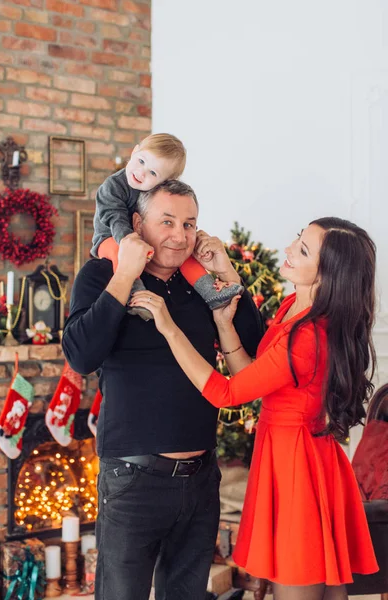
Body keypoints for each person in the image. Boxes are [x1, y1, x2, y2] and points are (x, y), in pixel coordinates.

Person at [130, 217, 379, 600]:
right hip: (296, 455)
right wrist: (224, 323)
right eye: (299, 238)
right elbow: (252, 377)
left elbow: (226, 394)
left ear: (327, 276)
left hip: (298, 467)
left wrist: (168, 327)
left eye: (304, 250)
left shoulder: (309, 336)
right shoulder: (295, 305)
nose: (289, 249)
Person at [62, 179, 265, 600]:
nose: (180, 235)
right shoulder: (103, 273)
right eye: (167, 221)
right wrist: (125, 275)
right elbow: (81, 356)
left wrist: (226, 270)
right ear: (137, 223)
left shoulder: (199, 283)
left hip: (201, 478)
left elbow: (254, 346)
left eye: (189, 223)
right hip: (133, 479)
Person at [92, 132, 243, 320]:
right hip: (110, 237)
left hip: (140, 239)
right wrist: (127, 240)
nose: (141, 172)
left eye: (153, 173)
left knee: (186, 257)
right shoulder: (113, 186)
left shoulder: (156, 192)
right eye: (141, 161)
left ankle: (210, 292)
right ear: (134, 152)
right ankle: (136, 293)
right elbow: (112, 214)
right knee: (120, 255)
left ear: (165, 181)